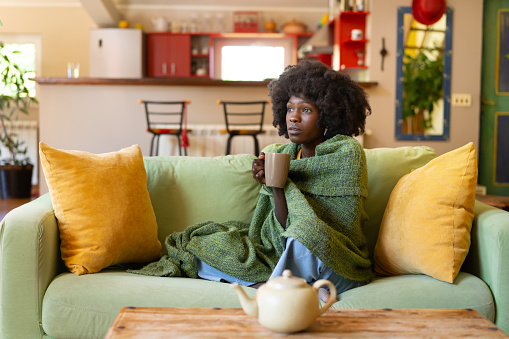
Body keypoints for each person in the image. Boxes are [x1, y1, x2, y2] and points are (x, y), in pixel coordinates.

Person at [129, 59, 373, 297]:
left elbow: (332, 228)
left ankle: (278, 289)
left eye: (306, 110)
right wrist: (275, 185)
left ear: (329, 116)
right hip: (284, 252)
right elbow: (280, 229)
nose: (293, 118)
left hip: (335, 259)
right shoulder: (282, 154)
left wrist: (285, 186)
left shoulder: (345, 153)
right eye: (289, 108)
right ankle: (271, 287)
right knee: (200, 245)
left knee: (308, 237)